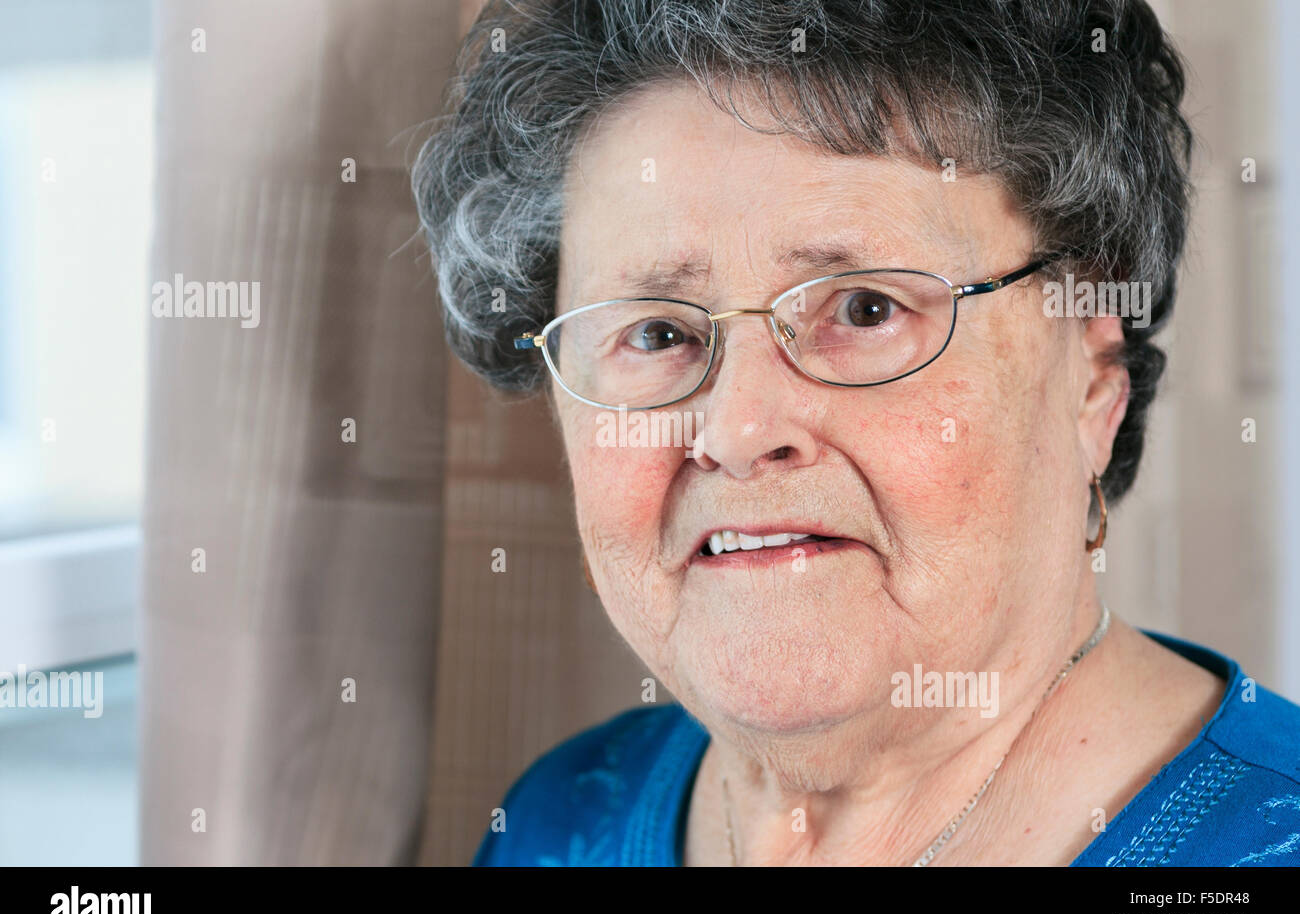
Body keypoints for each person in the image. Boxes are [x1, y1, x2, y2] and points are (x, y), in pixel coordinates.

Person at [413, 0, 1300, 865]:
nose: (738, 430)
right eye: (656, 333)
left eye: (866, 308)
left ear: (1093, 371)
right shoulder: (555, 821)